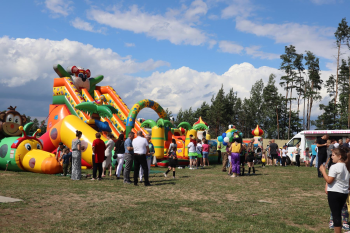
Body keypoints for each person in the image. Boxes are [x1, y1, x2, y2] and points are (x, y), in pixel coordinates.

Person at [319, 148, 350, 233]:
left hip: (334, 193)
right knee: (339, 213)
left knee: (336, 215)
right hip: (344, 193)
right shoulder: (347, 166)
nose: (331, 157)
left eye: (333, 155)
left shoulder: (334, 167)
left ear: (339, 156)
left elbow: (329, 180)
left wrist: (323, 171)